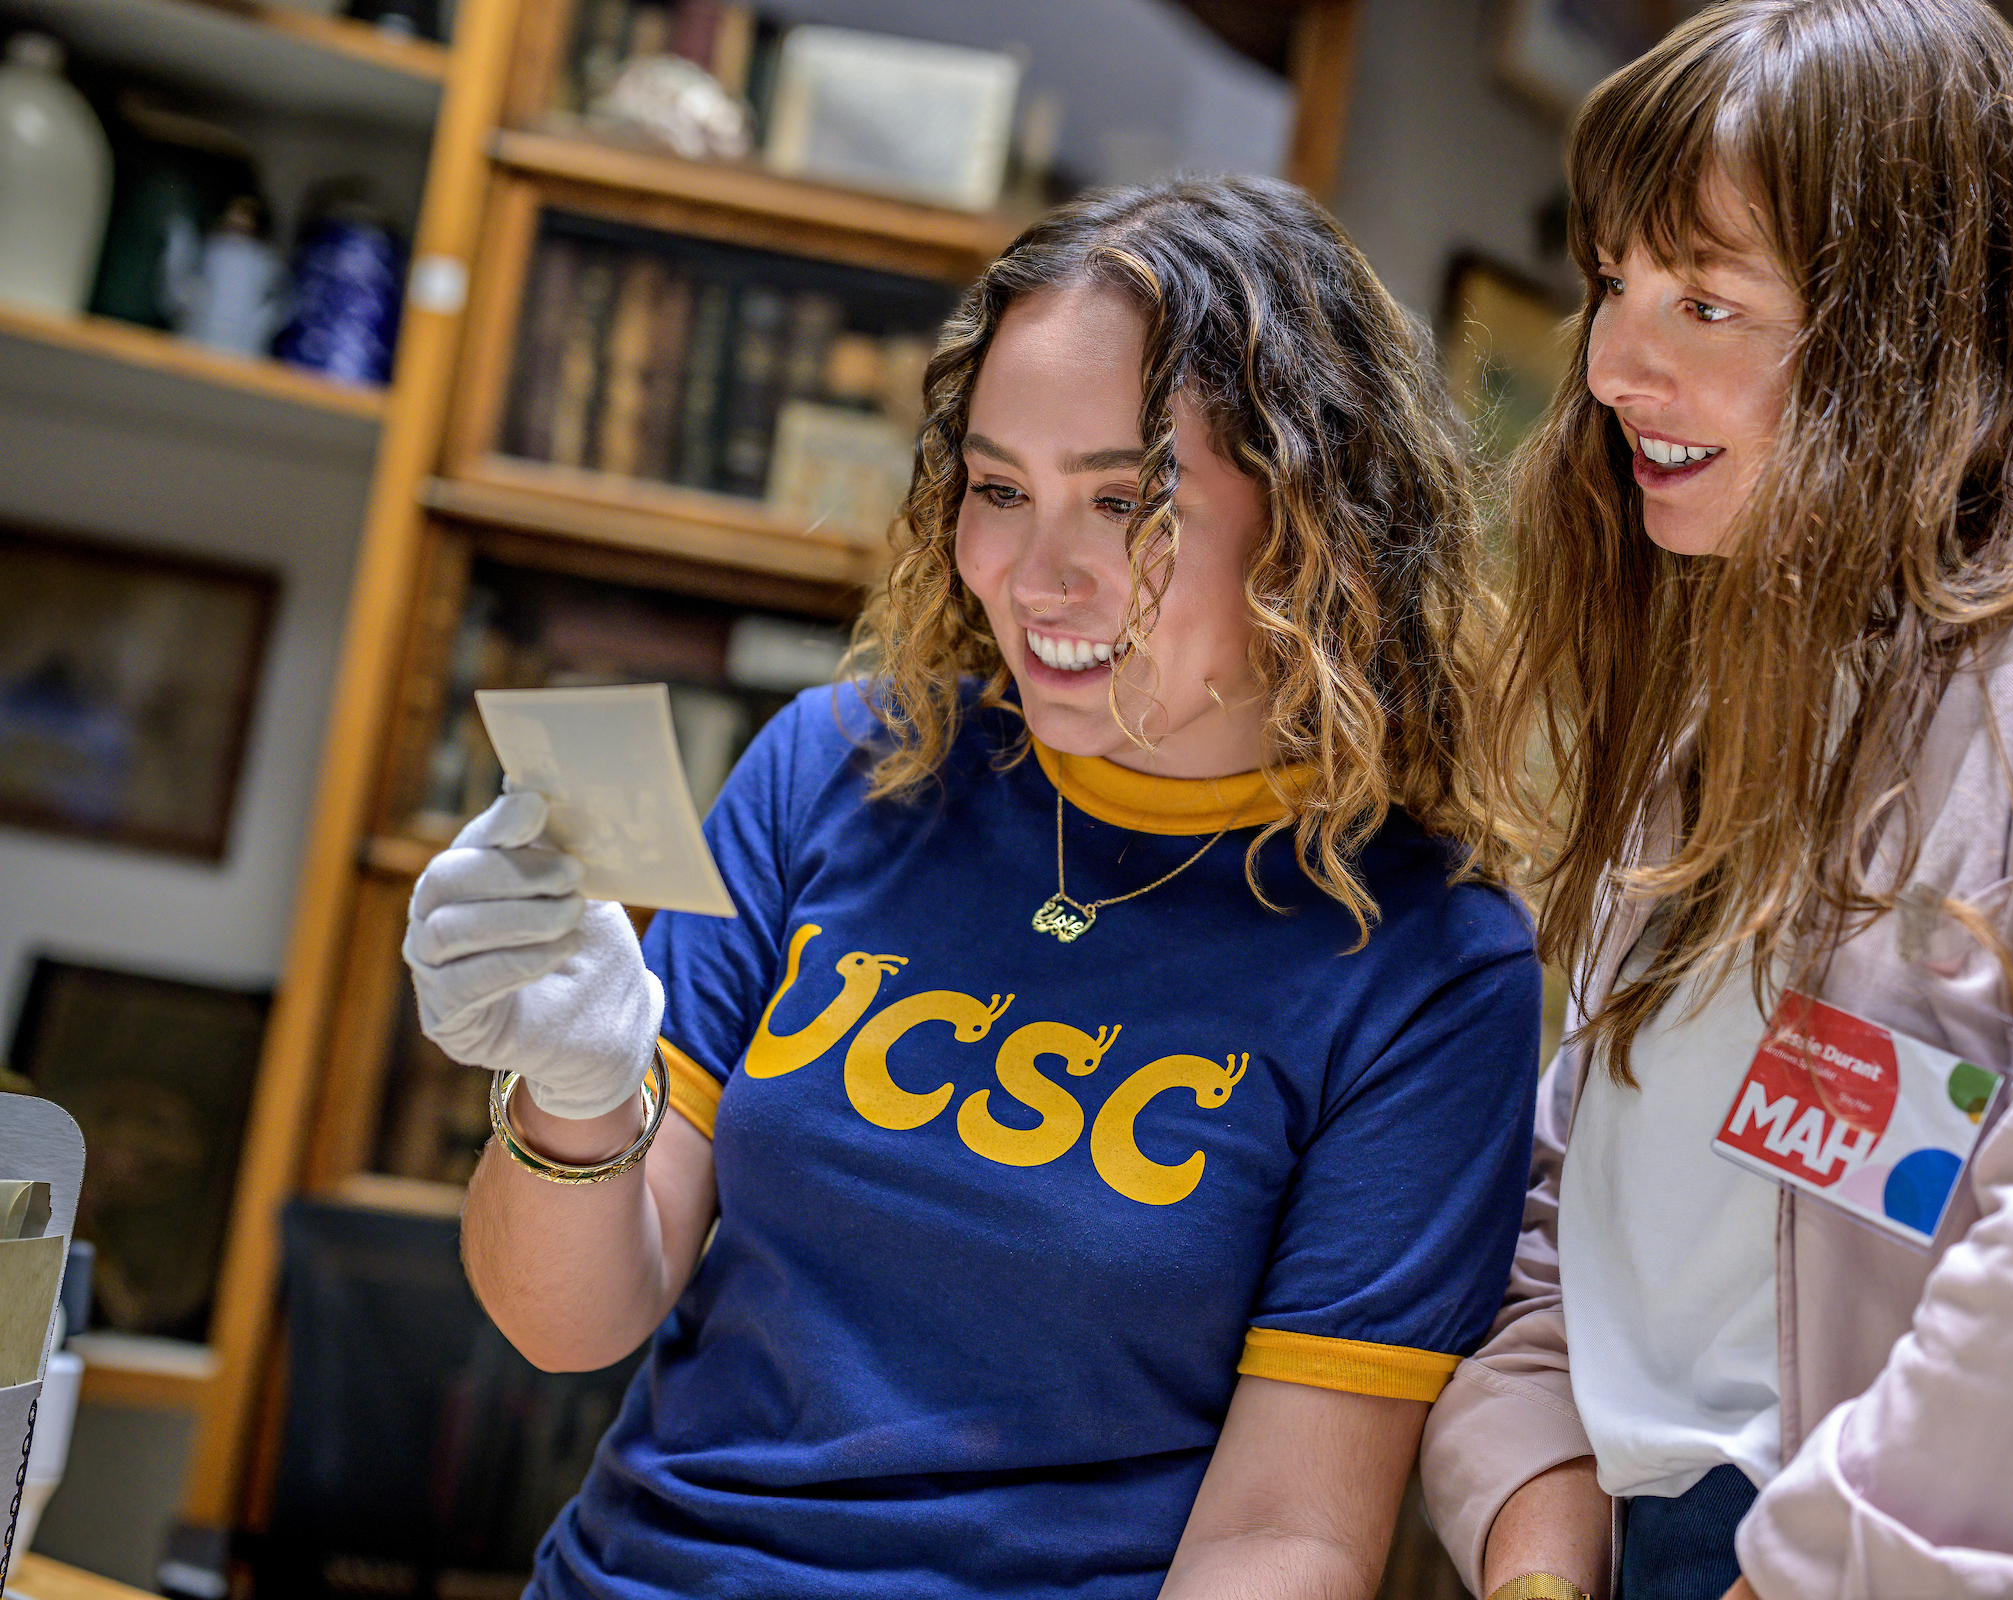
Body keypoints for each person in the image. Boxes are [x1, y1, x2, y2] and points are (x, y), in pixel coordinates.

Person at [402, 175, 1542, 1599]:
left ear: (1313, 528)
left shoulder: (1430, 964)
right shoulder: (835, 767)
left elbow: (1282, 1537)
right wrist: (574, 1091)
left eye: (1126, 501)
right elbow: (566, 1324)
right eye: (998, 489)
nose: (1036, 574)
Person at [1418, 3, 2013, 1598]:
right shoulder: (1747, 663)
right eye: (1612, 284)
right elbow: (1573, 1202)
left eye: (1707, 302)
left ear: (1919, 318)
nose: (1608, 367)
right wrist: (1531, 1533)